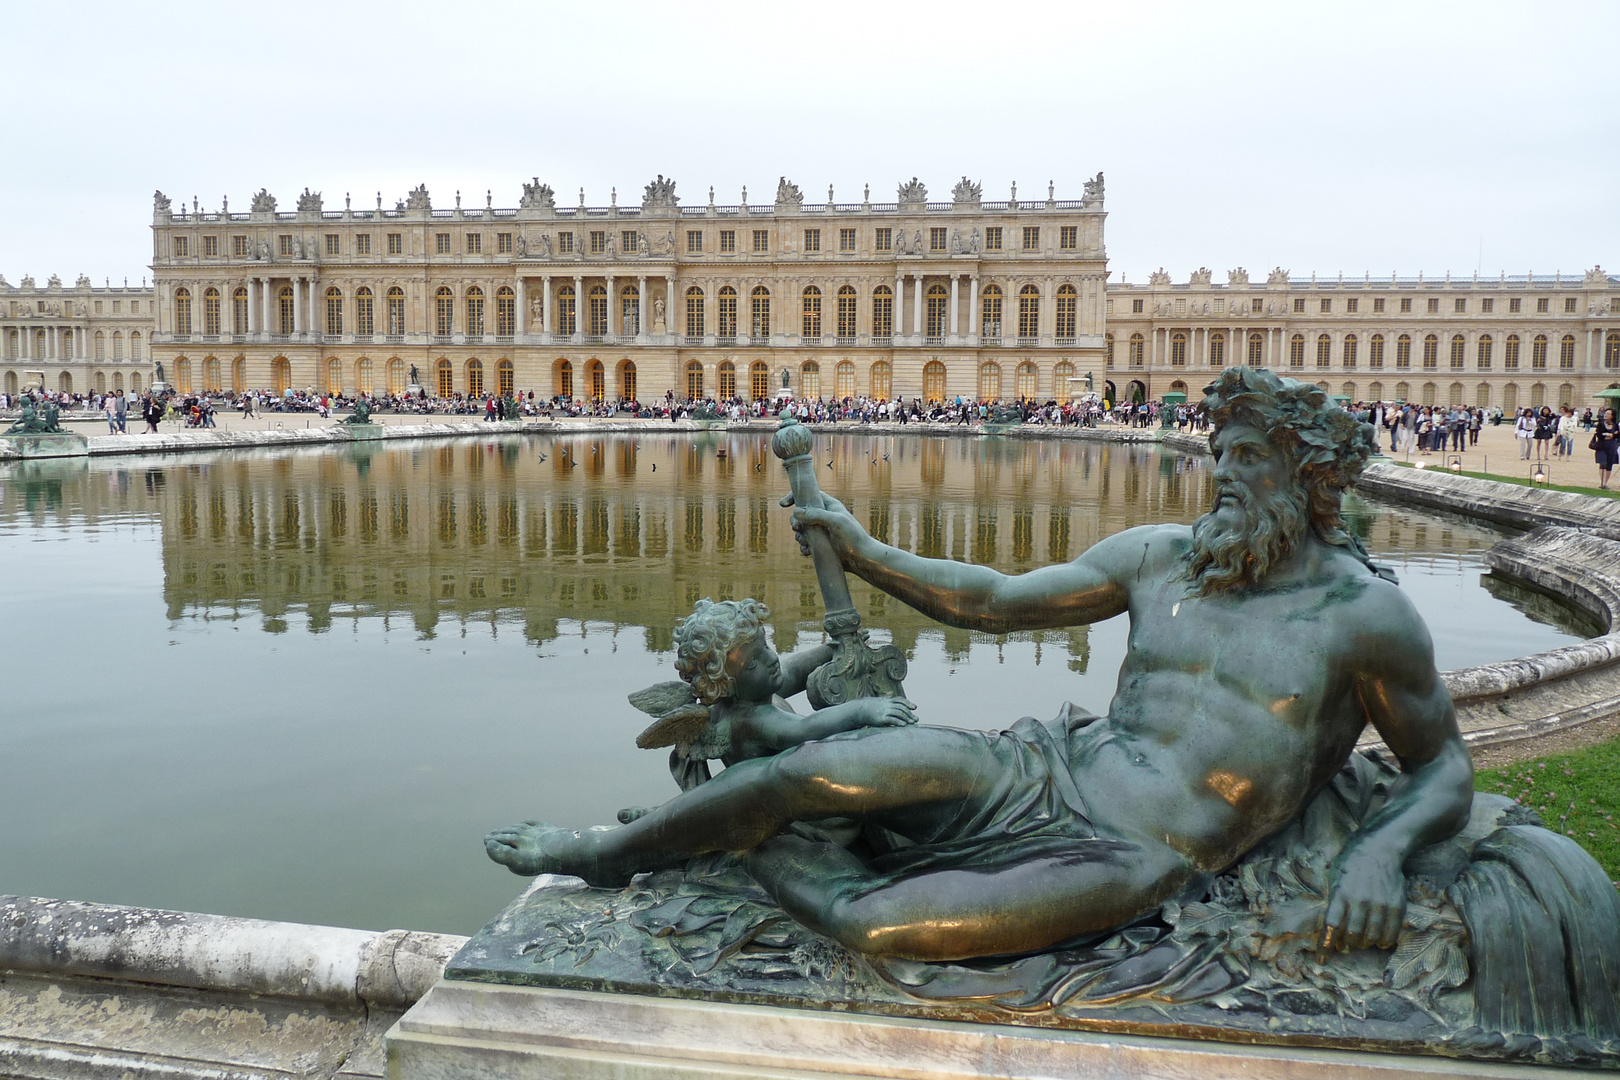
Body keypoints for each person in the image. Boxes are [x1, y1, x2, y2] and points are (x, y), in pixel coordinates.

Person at [488, 368, 1471, 963]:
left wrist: (1381, 850)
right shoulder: (1162, 556)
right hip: (1046, 768)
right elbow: (996, 602)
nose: (1221, 474)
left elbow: (1444, 768)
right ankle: (607, 857)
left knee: (875, 928)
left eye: (1250, 458)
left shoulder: (1366, 617)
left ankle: (737, 842)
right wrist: (864, 549)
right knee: (805, 772)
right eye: (1221, 451)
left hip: (1140, 854)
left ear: (1309, 476)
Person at [1594, 407, 1619, 490]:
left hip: (1611, 447)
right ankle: (1602, 482)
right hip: (1602, 446)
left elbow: (1618, 435)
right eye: (1605, 413)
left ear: (1612, 416)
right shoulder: (1601, 424)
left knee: (1609, 465)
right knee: (1602, 463)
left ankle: (1605, 482)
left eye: (1608, 414)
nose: (1606, 415)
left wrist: (1611, 435)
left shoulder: (1615, 425)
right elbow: (1599, 435)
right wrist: (1610, 435)